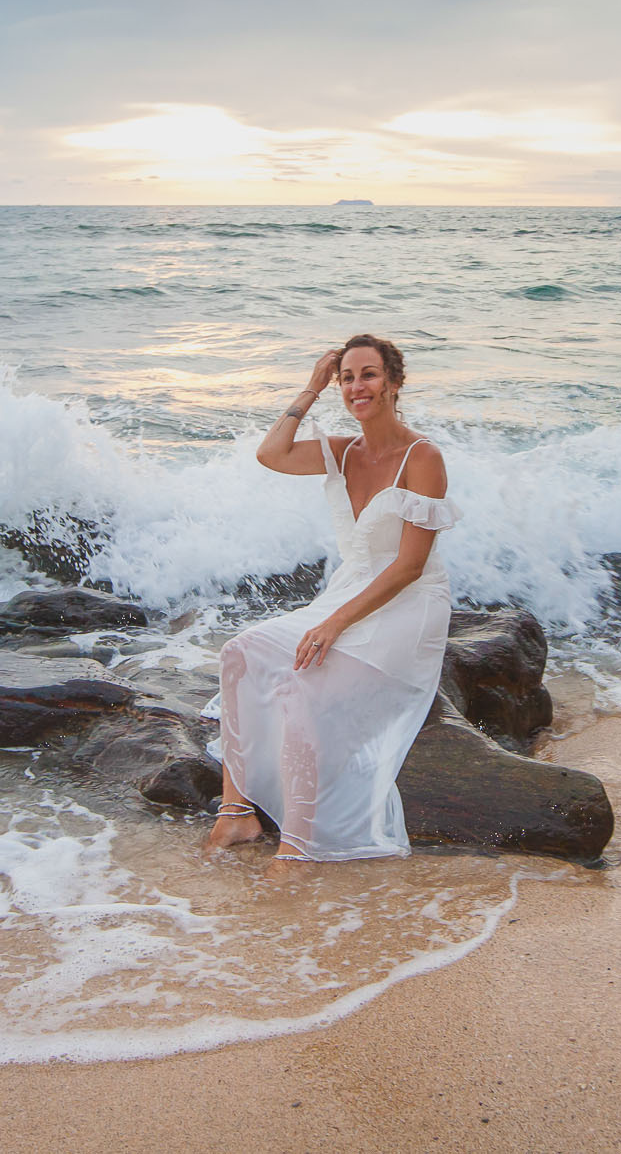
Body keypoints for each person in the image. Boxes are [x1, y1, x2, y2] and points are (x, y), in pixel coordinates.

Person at [202, 333, 459, 872]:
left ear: (393, 382)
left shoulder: (424, 456)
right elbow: (269, 453)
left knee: (301, 685)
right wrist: (311, 386)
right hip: (351, 589)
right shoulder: (343, 451)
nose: (356, 386)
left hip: (409, 604)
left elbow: (411, 565)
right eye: (346, 377)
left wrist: (335, 624)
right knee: (239, 653)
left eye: (367, 374)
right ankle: (236, 812)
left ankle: (296, 847)